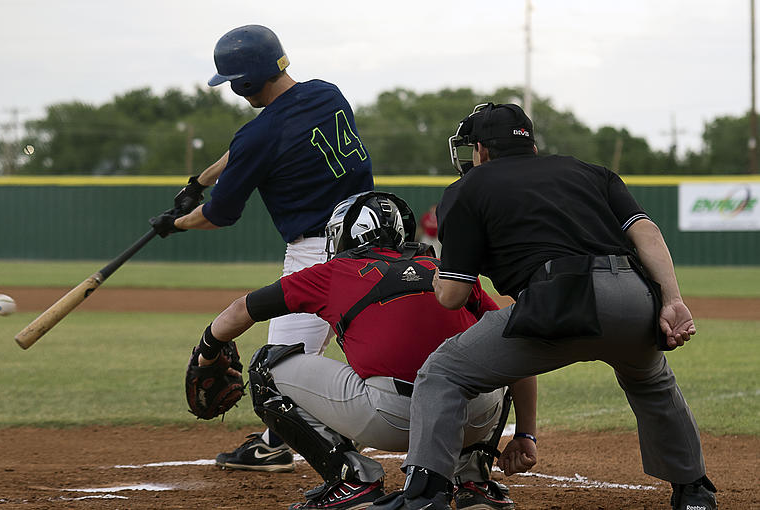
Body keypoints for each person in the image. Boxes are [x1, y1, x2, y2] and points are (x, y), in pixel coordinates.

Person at [370, 104, 716, 510]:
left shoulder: (469, 187)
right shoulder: (591, 172)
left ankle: (425, 494)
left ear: (480, 150)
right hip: (633, 293)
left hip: (558, 300)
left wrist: (433, 274)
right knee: (652, 381)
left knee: (443, 372)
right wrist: (672, 300)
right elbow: (646, 231)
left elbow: (452, 296)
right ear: (531, 143)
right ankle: (694, 492)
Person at [193, 191, 536, 510]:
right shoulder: (446, 268)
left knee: (266, 367)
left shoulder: (333, 273)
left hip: (391, 419)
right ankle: (474, 479)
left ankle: (352, 478)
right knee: (492, 354)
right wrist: (525, 434)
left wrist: (208, 348)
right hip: (472, 418)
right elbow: (514, 339)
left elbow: (242, 310)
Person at [150, 24, 373, 471]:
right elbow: (247, 148)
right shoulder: (326, 93)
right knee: (375, 346)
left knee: (277, 370)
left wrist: (175, 224)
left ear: (247, 82)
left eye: (234, 82)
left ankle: (339, 463)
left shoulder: (259, 135)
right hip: (374, 241)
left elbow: (219, 215)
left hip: (317, 253)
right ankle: (275, 441)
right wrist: (200, 181)